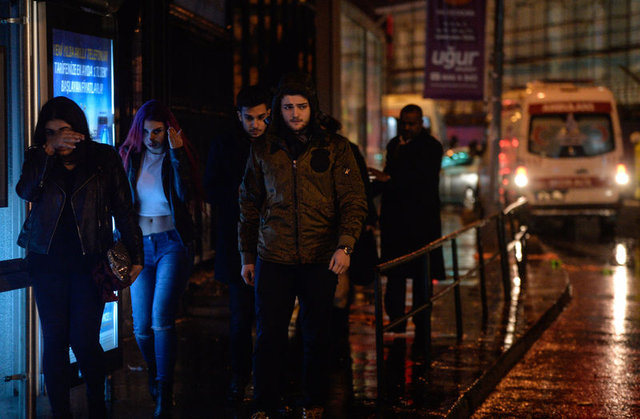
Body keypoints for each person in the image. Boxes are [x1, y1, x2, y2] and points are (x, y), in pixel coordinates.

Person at [238, 73, 367, 419]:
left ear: (312, 108)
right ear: (277, 110)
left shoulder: (335, 148)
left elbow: (353, 200)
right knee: (269, 335)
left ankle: (313, 402)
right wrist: (247, 255)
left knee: (316, 334)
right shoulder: (263, 148)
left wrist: (345, 245)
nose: (295, 113)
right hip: (273, 255)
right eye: (288, 107)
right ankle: (265, 404)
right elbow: (248, 203)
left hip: (319, 255)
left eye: (302, 106)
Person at [16, 96, 144, 418]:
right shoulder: (37, 158)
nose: (58, 139)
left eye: (63, 131)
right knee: (55, 340)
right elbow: (25, 192)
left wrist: (136, 254)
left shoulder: (103, 158)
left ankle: (96, 403)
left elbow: (123, 208)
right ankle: (61, 412)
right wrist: (46, 152)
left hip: (91, 263)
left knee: (84, 339)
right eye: (50, 133)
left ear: (79, 131)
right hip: (47, 262)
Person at [119, 100, 201, 418]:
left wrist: (176, 154)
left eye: (158, 131)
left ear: (169, 131)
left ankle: (165, 393)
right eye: (146, 131)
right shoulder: (130, 158)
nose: (151, 138)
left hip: (172, 244)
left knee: (161, 318)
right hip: (140, 247)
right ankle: (155, 374)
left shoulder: (176, 157)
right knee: (141, 327)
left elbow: (184, 194)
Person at [203, 85, 271, 405]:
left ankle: (265, 379)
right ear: (239, 116)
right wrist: (243, 195)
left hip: (274, 241)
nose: (255, 124)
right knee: (241, 316)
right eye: (249, 118)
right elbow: (211, 189)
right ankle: (241, 377)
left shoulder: (277, 143)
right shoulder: (225, 144)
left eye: (261, 118)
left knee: (269, 316)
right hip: (236, 241)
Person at [370, 104, 445, 348]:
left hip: (421, 223)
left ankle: (421, 322)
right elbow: (392, 178)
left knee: (422, 276)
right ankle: (396, 321)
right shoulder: (395, 144)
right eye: (404, 123)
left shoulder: (431, 147)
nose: (407, 127)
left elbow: (422, 180)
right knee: (396, 275)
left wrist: (388, 179)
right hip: (396, 223)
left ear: (421, 123)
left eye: (412, 123)